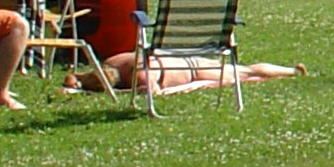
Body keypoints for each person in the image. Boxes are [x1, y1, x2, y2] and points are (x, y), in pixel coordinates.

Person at [63, 53, 305, 97]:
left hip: (194, 72)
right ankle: (290, 70)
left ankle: (292, 72)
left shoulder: (139, 74)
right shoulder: (113, 61)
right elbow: (75, 77)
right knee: (244, 69)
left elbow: (152, 92)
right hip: (186, 60)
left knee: (245, 72)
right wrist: (74, 85)